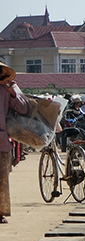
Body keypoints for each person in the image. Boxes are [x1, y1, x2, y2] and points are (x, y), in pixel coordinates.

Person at [0, 62, 29, 224]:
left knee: (2, 178)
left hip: (2, 140)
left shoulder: (7, 89)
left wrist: (12, 93)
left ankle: (0, 212)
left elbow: (23, 108)